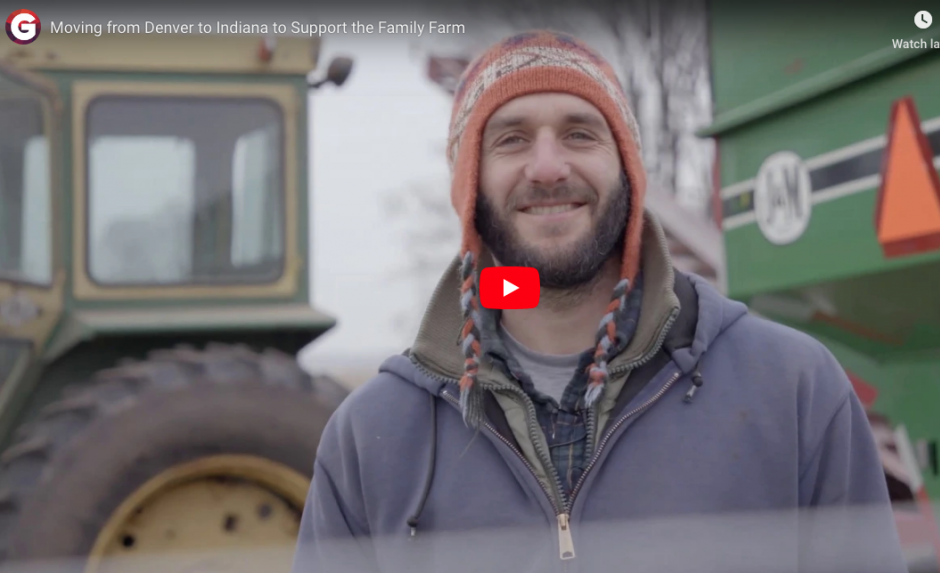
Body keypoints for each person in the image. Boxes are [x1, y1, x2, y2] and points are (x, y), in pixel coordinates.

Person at [293, 30, 907, 573]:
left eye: (579, 134)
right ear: (469, 188)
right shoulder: (373, 434)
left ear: (628, 172)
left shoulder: (793, 390)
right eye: (511, 140)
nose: (549, 166)